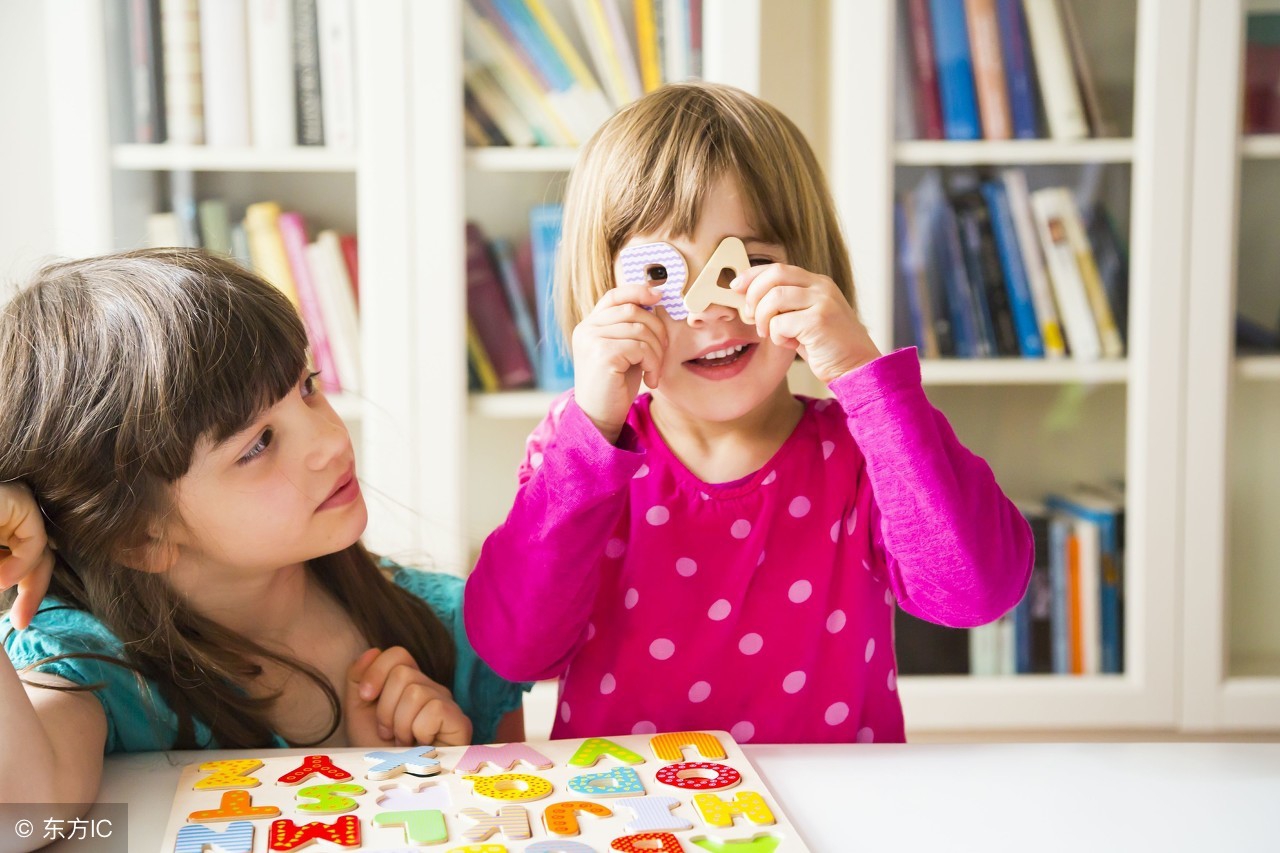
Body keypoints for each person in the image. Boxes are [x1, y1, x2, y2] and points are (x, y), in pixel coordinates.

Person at [464, 82, 1033, 744]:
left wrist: (865, 379)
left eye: (746, 265)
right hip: (641, 816)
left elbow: (977, 591)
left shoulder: (861, 449)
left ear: (812, 273)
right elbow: (513, 651)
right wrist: (590, 431)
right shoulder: (583, 454)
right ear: (604, 299)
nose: (710, 310)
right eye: (661, 277)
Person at [0, 249, 527, 815]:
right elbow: (22, 819)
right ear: (141, 539)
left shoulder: (452, 628)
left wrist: (437, 780)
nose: (329, 442)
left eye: (307, 386)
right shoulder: (88, 666)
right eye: (258, 444)